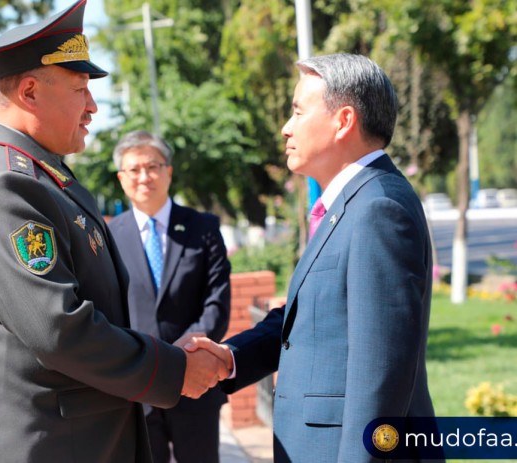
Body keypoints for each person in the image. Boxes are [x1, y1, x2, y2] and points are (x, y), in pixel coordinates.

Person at [0, 1, 228, 462]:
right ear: (30, 92)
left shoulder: (37, 176)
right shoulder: (7, 187)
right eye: (80, 89)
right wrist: (173, 369)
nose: (92, 107)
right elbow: (59, 327)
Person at [187, 53, 438, 462]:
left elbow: (381, 372)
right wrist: (233, 358)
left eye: (298, 112)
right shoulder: (353, 204)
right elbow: (311, 320)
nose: (286, 128)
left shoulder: (378, 209)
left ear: (343, 121)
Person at [108, 130, 231, 463]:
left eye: (153, 166)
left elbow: (216, 304)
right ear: (122, 178)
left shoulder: (203, 227)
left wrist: (181, 358)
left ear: (168, 172)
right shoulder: (108, 236)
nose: (144, 177)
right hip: (138, 387)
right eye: (134, 170)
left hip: (198, 381)